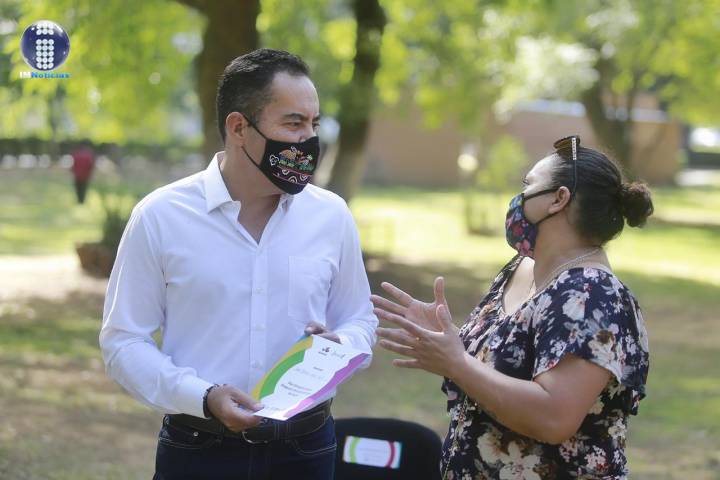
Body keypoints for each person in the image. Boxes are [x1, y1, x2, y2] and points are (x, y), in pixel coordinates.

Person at [100, 49, 377, 480]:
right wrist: (203, 396)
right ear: (238, 128)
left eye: (314, 124)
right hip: (198, 448)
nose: (308, 140)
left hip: (305, 449)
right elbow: (123, 341)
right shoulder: (160, 216)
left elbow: (359, 319)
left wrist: (339, 346)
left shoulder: (331, 215)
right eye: (293, 123)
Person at [371, 136, 652, 479]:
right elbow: (502, 368)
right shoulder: (523, 268)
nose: (519, 198)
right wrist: (449, 342)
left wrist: (457, 363)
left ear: (558, 199)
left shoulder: (592, 295)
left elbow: (553, 417)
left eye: (527, 185)